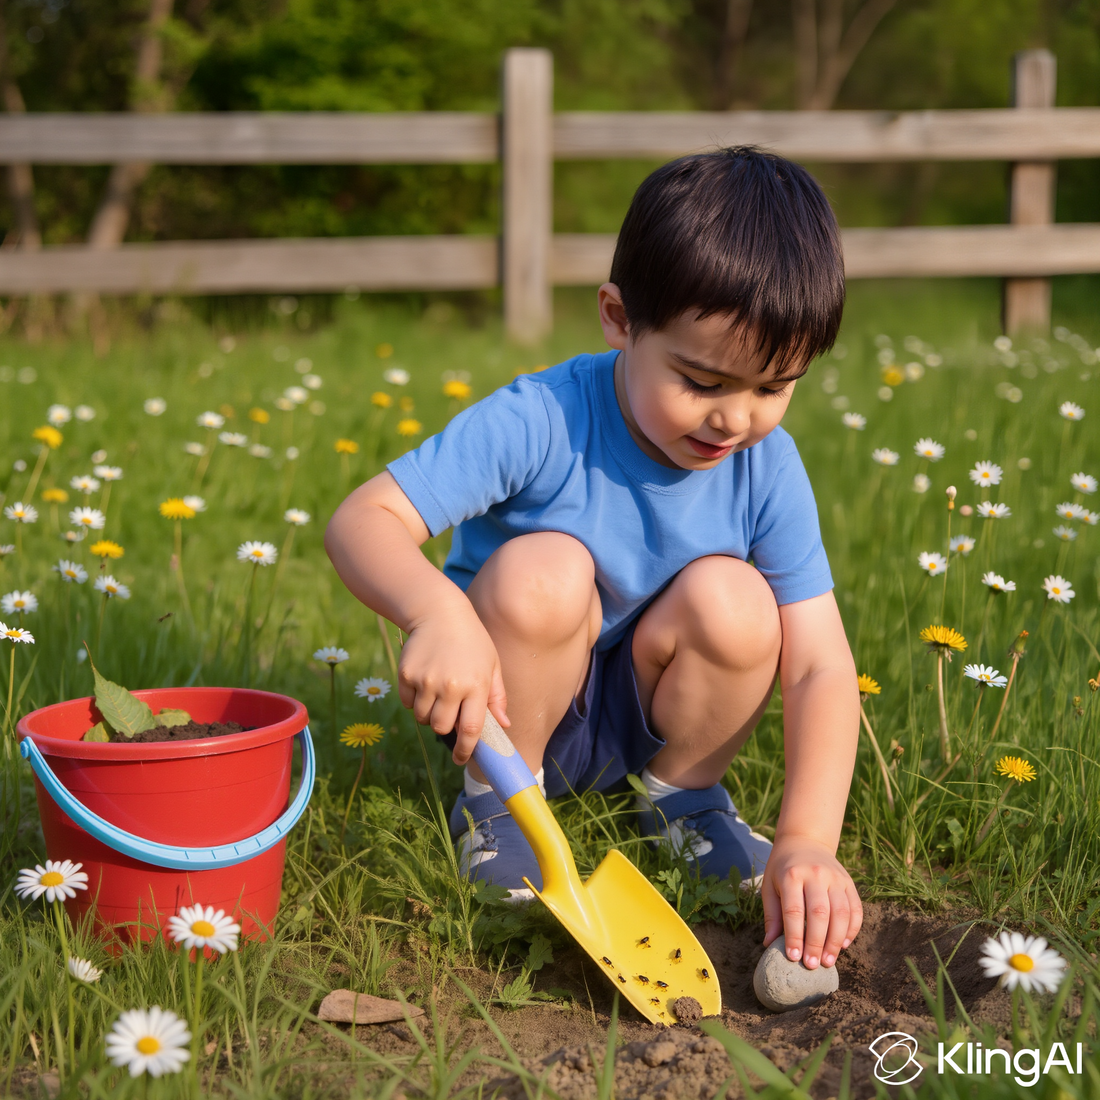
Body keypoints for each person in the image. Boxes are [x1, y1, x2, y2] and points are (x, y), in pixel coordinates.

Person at [326, 146, 862, 972]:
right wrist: (437, 612)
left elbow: (821, 666)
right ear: (618, 318)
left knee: (739, 600)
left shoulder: (767, 466)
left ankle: (682, 799)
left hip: (649, 703)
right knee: (547, 569)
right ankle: (502, 811)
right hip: (508, 706)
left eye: (773, 387)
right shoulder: (544, 416)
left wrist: (806, 841)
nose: (734, 420)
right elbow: (364, 519)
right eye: (701, 380)